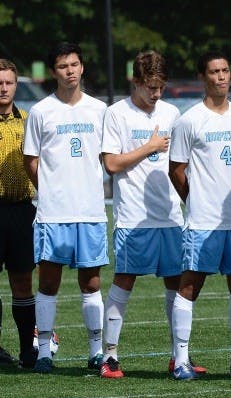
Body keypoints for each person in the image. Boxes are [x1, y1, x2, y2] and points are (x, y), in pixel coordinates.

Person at [99, 51, 190, 379]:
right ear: (135, 82)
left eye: (161, 87)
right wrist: (149, 147)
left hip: (170, 215)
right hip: (133, 217)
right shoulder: (116, 114)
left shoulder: (172, 112)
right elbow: (110, 164)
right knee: (124, 281)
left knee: (177, 284)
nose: (156, 93)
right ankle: (109, 357)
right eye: (150, 86)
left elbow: (179, 163)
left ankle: (179, 357)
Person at [168, 51, 231, 380]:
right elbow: (176, 169)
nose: (221, 77)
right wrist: (195, 201)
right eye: (214, 72)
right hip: (203, 221)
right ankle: (180, 361)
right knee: (189, 286)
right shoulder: (189, 120)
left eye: (225, 70)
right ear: (202, 77)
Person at [22, 42, 109, 374]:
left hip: (89, 211)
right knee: (48, 284)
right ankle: (44, 351)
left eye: (74, 64)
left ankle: (96, 351)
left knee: (91, 285)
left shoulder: (100, 110)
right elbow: (31, 160)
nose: (69, 71)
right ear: (53, 72)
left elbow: (108, 157)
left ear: (82, 68)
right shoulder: (42, 111)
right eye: (62, 66)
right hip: (53, 214)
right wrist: (52, 191)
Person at [0, 59, 37, 368]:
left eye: (8, 82)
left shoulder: (28, 120)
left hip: (22, 211)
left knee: (23, 282)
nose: (3, 87)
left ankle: (29, 350)